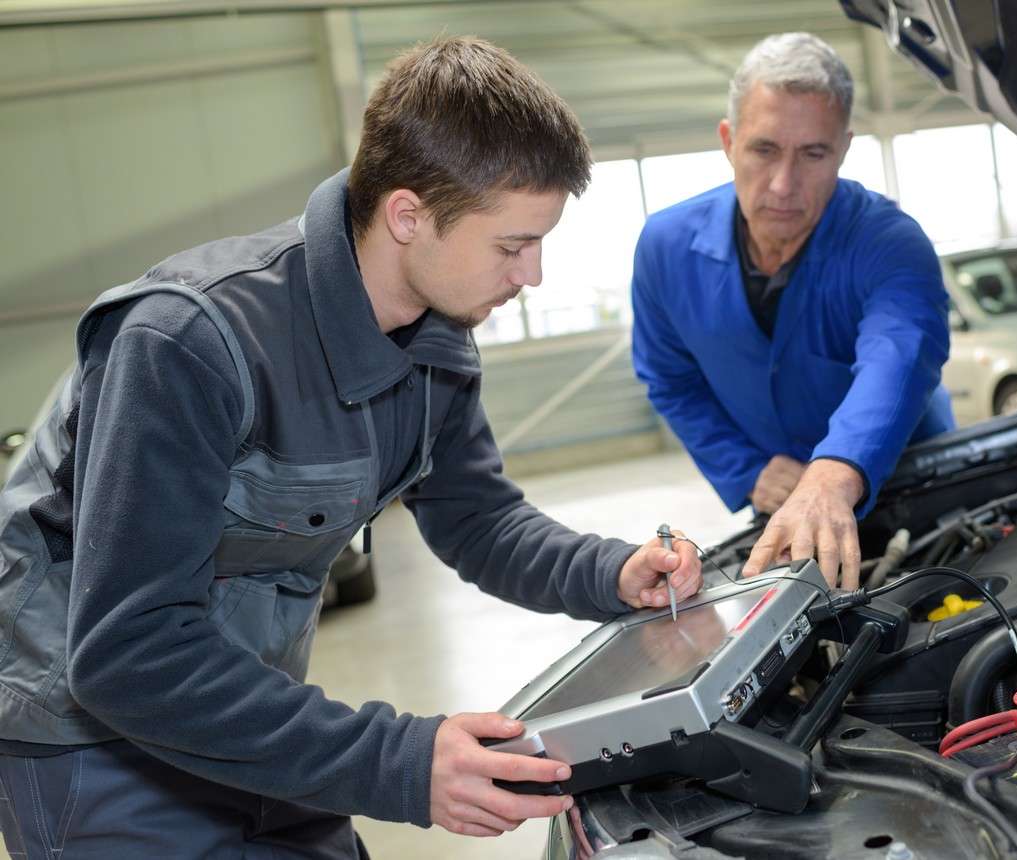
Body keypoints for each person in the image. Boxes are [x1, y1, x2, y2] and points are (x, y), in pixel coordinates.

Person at [0, 37, 702, 856]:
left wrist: (610, 572)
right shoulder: (189, 341)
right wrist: (400, 760)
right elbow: (128, 650)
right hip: (90, 741)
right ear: (408, 216)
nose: (533, 275)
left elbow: (477, 519)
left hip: (248, 710)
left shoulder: (436, 346)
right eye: (512, 245)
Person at [631, 32, 954, 589]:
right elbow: (671, 380)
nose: (783, 184)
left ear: (844, 149)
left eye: (813, 153)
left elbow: (900, 355)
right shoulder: (666, 248)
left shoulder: (890, 243)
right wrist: (747, 470)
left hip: (916, 491)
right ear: (728, 141)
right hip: (778, 499)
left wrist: (833, 473)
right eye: (764, 149)